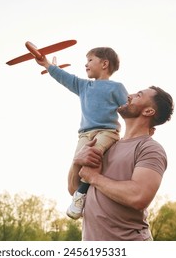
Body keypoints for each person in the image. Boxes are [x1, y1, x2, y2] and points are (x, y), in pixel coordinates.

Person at [69, 86, 174, 240]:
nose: (129, 95)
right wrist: (77, 163)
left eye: (138, 95)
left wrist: (94, 178)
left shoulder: (150, 149)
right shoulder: (106, 144)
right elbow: (74, 190)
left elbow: (138, 197)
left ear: (148, 111)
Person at [35, 47, 128, 219]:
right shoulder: (83, 86)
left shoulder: (116, 87)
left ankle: (80, 196)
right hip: (85, 134)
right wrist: (47, 65)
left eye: (90, 60)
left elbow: (129, 111)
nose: (86, 64)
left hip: (107, 132)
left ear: (104, 64)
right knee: (77, 163)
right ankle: (79, 192)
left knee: (92, 156)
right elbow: (65, 78)